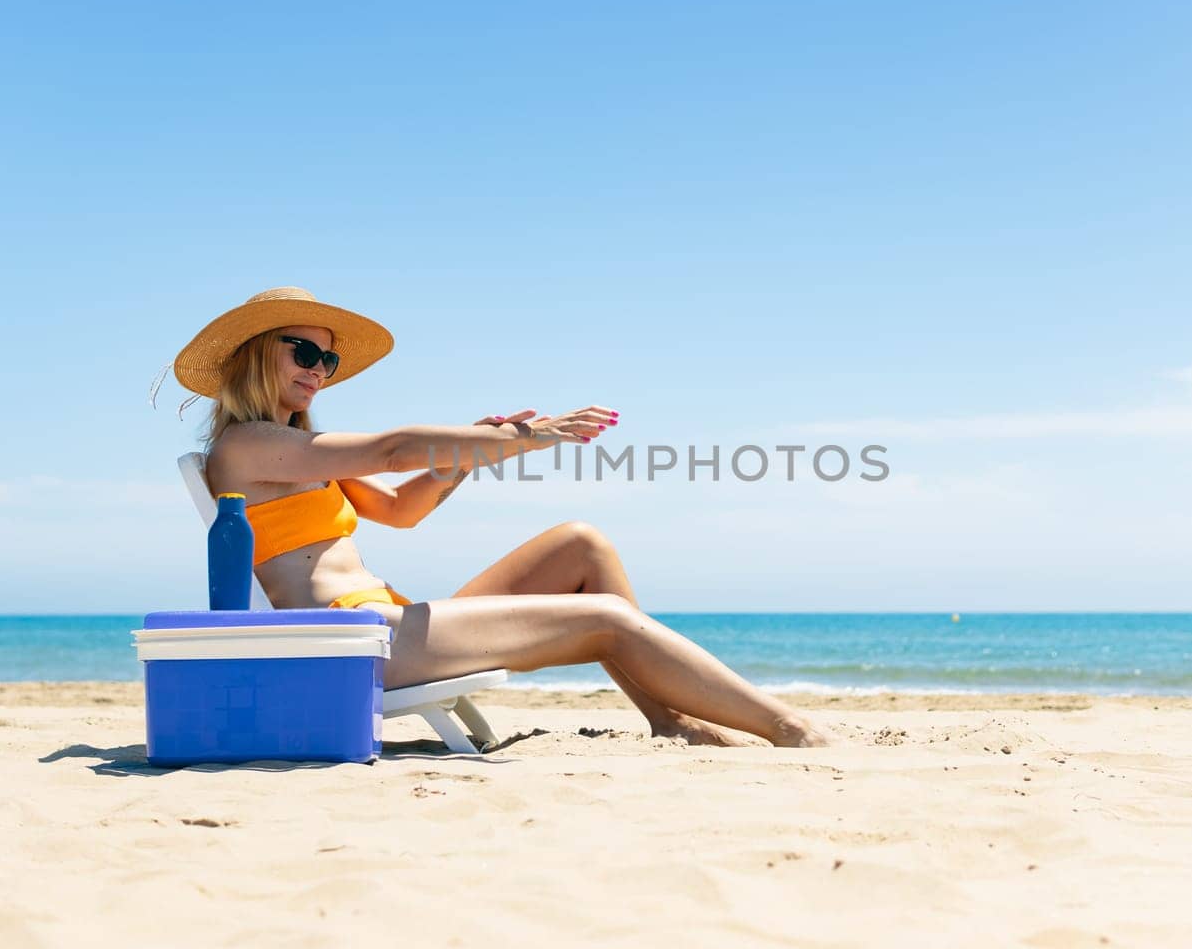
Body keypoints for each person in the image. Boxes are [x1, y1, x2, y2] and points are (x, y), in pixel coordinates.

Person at [170, 287, 832, 748]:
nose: (320, 370)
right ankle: (790, 727)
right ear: (259, 354)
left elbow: (403, 509)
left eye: (328, 359)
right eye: (304, 353)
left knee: (582, 545)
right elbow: (394, 450)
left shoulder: (298, 452)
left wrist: (467, 455)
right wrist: (525, 436)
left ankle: (673, 719)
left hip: (388, 623)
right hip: (357, 644)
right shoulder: (247, 444)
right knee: (605, 622)